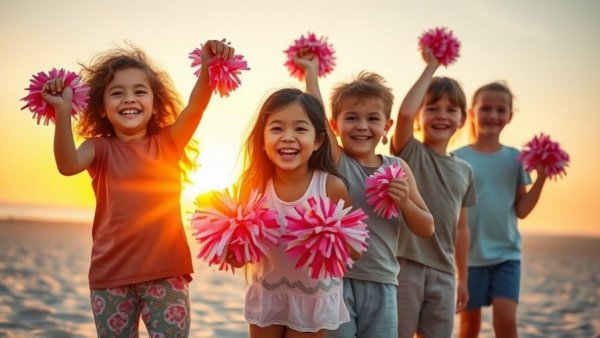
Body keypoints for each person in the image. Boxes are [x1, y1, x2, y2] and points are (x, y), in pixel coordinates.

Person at [42, 39, 234, 337]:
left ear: (155, 104)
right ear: (102, 109)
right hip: (110, 277)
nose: (129, 99)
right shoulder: (98, 148)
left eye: (139, 91)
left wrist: (208, 68)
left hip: (166, 273)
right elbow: (67, 165)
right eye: (117, 93)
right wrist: (63, 112)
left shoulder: (168, 143)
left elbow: (196, 106)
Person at [293, 53, 435, 338]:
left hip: (384, 283)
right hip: (337, 282)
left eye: (373, 118)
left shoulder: (398, 167)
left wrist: (405, 202)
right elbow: (317, 111)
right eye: (351, 118)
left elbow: (427, 227)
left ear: (387, 127)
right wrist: (311, 73)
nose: (361, 126)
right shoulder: (338, 161)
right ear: (334, 126)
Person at [238, 87, 359, 338]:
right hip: (268, 292)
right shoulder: (254, 187)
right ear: (262, 139)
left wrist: (329, 239)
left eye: (300, 129)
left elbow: (355, 250)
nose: (288, 137)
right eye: (277, 128)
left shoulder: (330, 187)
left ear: (318, 141)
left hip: (312, 298)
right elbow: (242, 253)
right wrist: (232, 250)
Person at [390, 48, 477, 338]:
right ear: (419, 116)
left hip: (444, 272)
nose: (442, 116)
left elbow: (461, 228)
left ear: (463, 119)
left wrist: (462, 278)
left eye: (451, 110)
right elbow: (403, 113)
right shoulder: (410, 151)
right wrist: (432, 67)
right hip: (405, 266)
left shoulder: (465, 170)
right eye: (432, 108)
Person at [454, 82, 548, 338]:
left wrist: (541, 178)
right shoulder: (456, 158)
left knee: (506, 321)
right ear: (471, 112)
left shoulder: (517, 159)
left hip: (507, 255)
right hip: (468, 259)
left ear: (510, 115)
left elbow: (521, 210)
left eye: (500, 110)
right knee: (468, 328)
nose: (493, 116)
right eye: (485, 109)